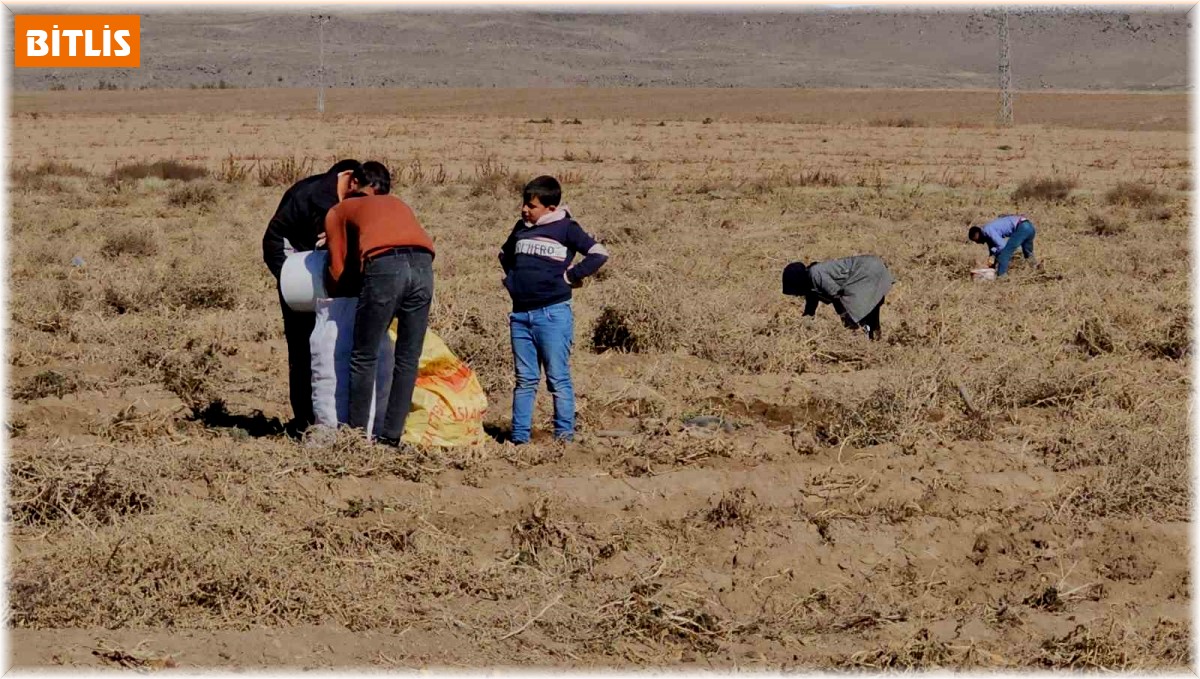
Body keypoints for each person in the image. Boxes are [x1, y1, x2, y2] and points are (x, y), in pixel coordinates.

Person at [323, 161, 436, 447]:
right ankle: (391, 437)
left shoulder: (339, 210)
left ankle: (357, 438)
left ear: (354, 185)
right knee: (408, 358)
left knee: (364, 355)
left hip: (386, 267)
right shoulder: (397, 203)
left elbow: (337, 270)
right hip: (424, 266)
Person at [499, 175, 609, 444]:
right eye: (525, 203)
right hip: (520, 316)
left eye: (532, 206)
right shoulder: (520, 228)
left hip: (553, 314)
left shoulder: (567, 228)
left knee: (557, 379)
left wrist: (571, 278)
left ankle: (564, 439)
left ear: (550, 208)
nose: (525, 209)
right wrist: (513, 280)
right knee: (525, 380)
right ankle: (519, 439)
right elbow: (505, 254)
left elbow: (599, 253)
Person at [262, 158, 362, 436]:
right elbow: (272, 240)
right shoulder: (305, 195)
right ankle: (306, 421)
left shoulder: (355, 200)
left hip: (338, 285)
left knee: (342, 346)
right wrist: (292, 276)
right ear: (349, 177)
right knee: (304, 349)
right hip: (300, 284)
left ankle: (343, 418)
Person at [782, 255, 893, 341]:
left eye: (795, 291)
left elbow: (836, 295)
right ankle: (874, 337)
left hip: (867, 270)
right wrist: (801, 327)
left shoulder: (815, 274)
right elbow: (810, 308)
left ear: (797, 283)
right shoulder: (811, 282)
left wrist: (845, 318)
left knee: (856, 309)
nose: (796, 295)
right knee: (865, 307)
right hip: (871, 266)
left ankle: (871, 340)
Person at [968, 214, 1039, 277]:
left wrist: (997, 256)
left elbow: (1002, 246)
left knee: (1004, 254)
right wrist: (992, 265)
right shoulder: (987, 233)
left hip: (1022, 227)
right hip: (1029, 226)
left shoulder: (987, 230)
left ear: (978, 234)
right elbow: (993, 249)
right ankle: (1037, 270)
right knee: (1028, 253)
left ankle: (1002, 278)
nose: (978, 243)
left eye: (976, 240)